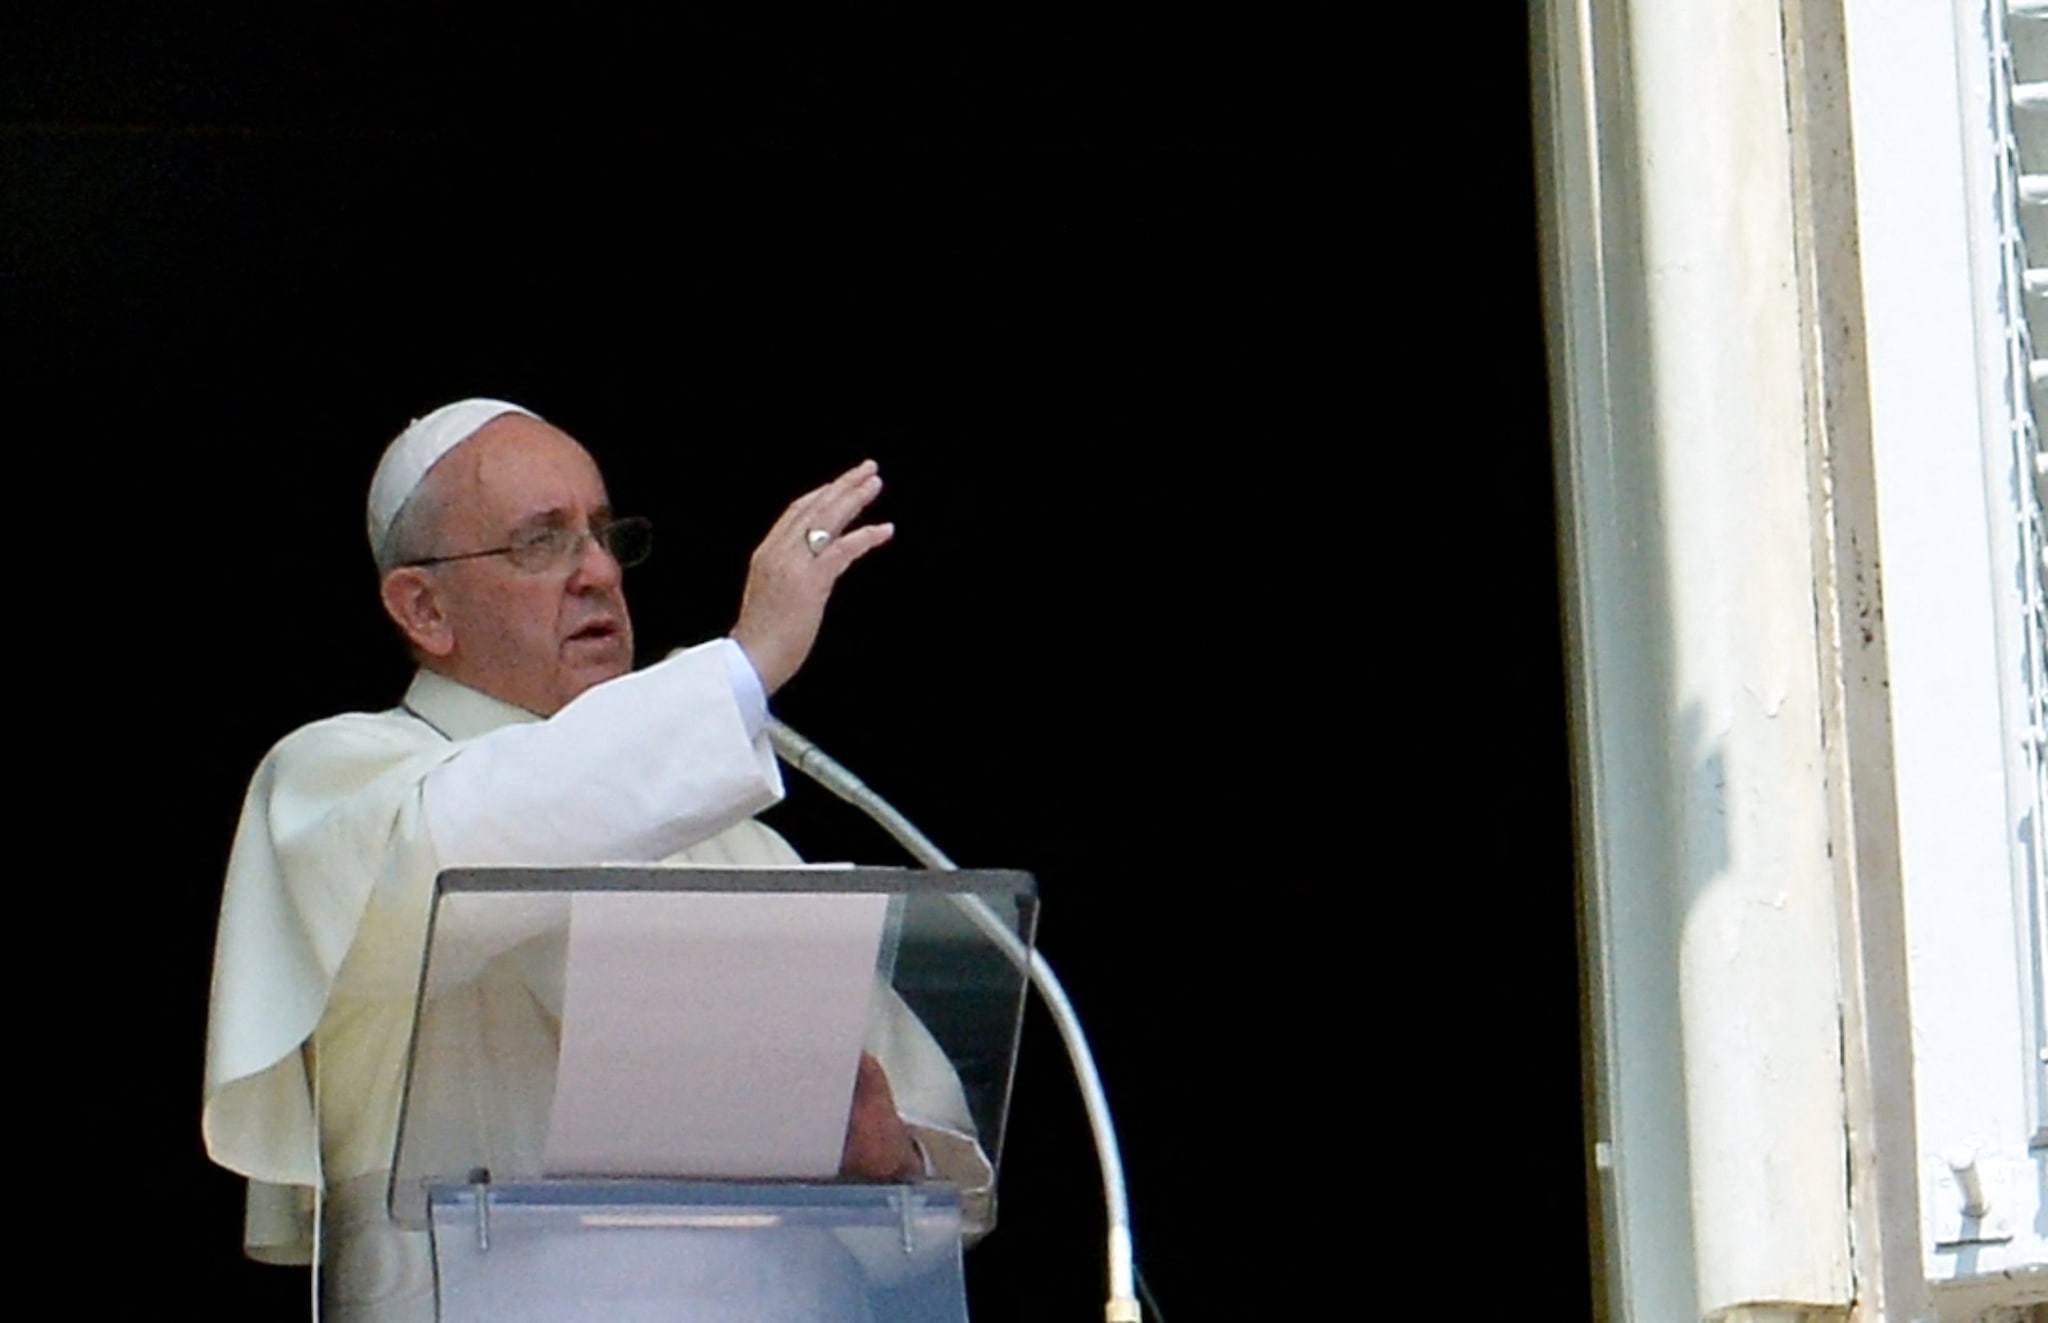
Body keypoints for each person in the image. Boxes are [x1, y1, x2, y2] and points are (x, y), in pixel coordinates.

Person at [201, 399, 984, 1320]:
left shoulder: (734, 842)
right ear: (423, 606)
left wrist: (886, 1157)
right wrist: (744, 666)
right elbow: (473, 850)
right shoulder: (337, 781)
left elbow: (939, 1196)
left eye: (606, 536)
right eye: (542, 542)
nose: (601, 572)